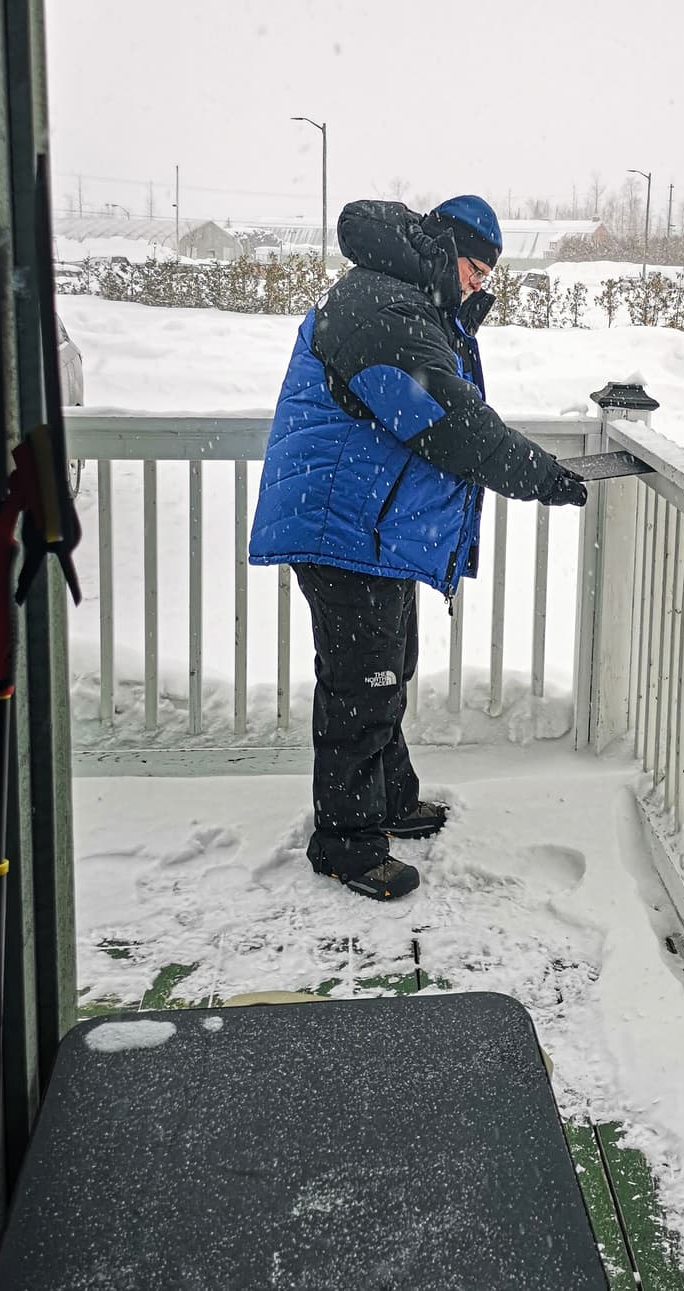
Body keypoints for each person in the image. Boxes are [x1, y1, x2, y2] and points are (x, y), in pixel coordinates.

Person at [249, 195, 588, 901]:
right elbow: (446, 421)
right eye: (473, 266)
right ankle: (346, 840)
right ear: (443, 247)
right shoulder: (380, 305)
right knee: (361, 683)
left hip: (363, 524)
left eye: (487, 274)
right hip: (338, 521)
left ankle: (390, 800)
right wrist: (538, 474)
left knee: (388, 664)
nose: (477, 284)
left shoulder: (404, 299)